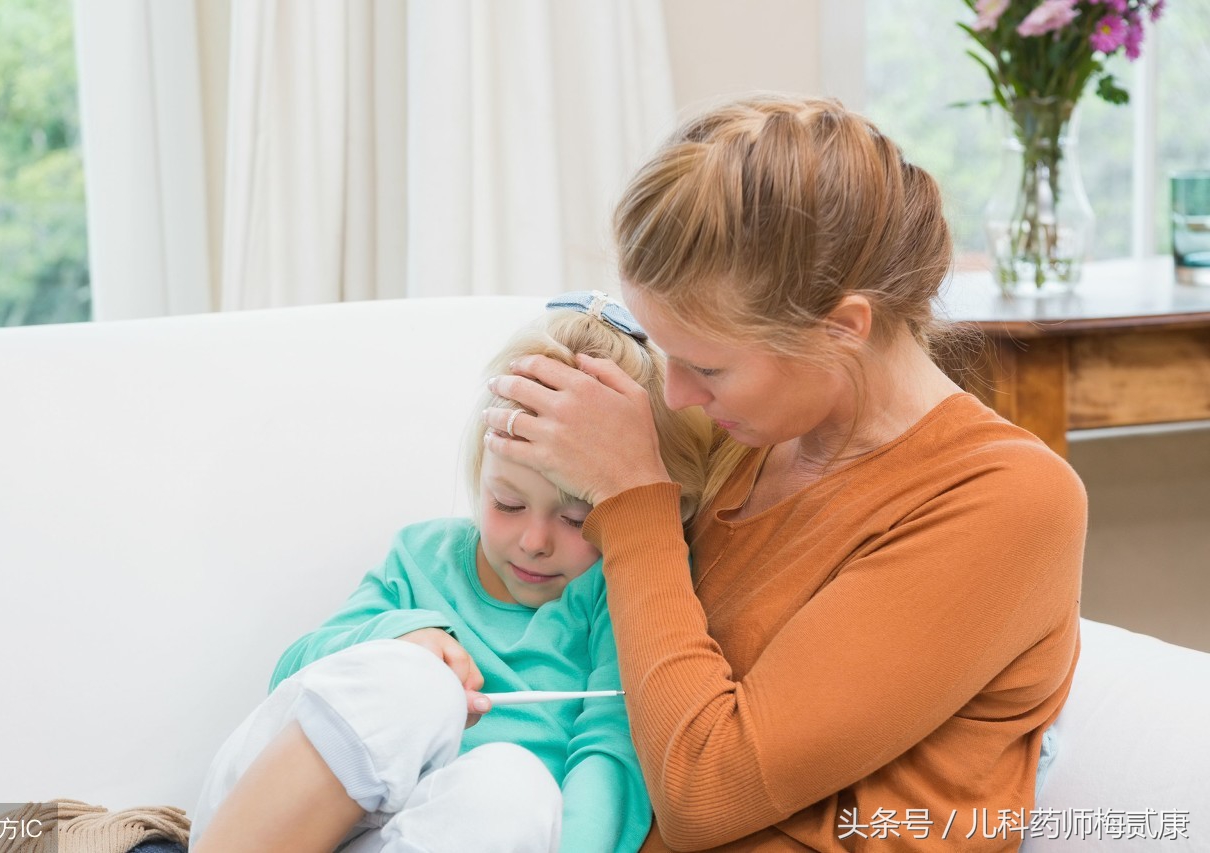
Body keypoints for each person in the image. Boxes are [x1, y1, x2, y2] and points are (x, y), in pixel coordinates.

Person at [483, 95, 1087, 852]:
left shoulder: (1006, 499)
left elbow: (704, 791)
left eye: (707, 365)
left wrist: (635, 498)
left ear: (843, 328)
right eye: (668, 354)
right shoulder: (744, 435)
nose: (675, 396)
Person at [189, 293, 712, 853]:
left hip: (431, 835)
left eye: (576, 519)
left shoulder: (617, 595)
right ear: (480, 472)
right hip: (267, 816)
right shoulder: (424, 556)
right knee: (411, 679)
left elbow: (612, 760)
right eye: (507, 504)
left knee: (515, 787)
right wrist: (400, 638)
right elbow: (295, 673)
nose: (534, 543)